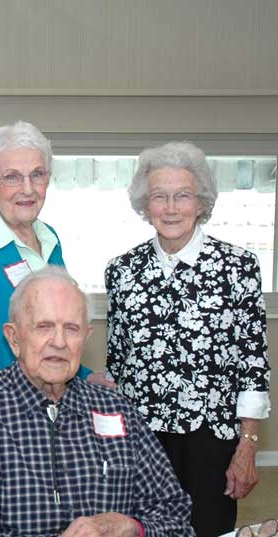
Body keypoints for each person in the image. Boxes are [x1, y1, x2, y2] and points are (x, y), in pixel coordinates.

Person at [0, 267, 194, 537]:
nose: (59, 342)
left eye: (71, 329)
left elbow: (176, 517)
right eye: (44, 326)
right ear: (14, 338)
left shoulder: (118, 411)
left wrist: (133, 528)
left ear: (85, 337)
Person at [105, 141, 271, 537]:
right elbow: (117, 366)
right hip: (140, 442)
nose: (172, 207)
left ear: (202, 203)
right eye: (159, 196)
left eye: (183, 195)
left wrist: (247, 445)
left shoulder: (237, 266)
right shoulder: (121, 271)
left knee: (209, 529)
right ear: (146, 206)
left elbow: (253, 362)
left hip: (211, 440)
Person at [0, 121, 112, 476]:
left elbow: (53, 327)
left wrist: (85, 376)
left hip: (48, 424)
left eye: (37, 174)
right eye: (12, 176)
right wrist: (11, 416)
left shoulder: (50, 238)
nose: (27, 188)